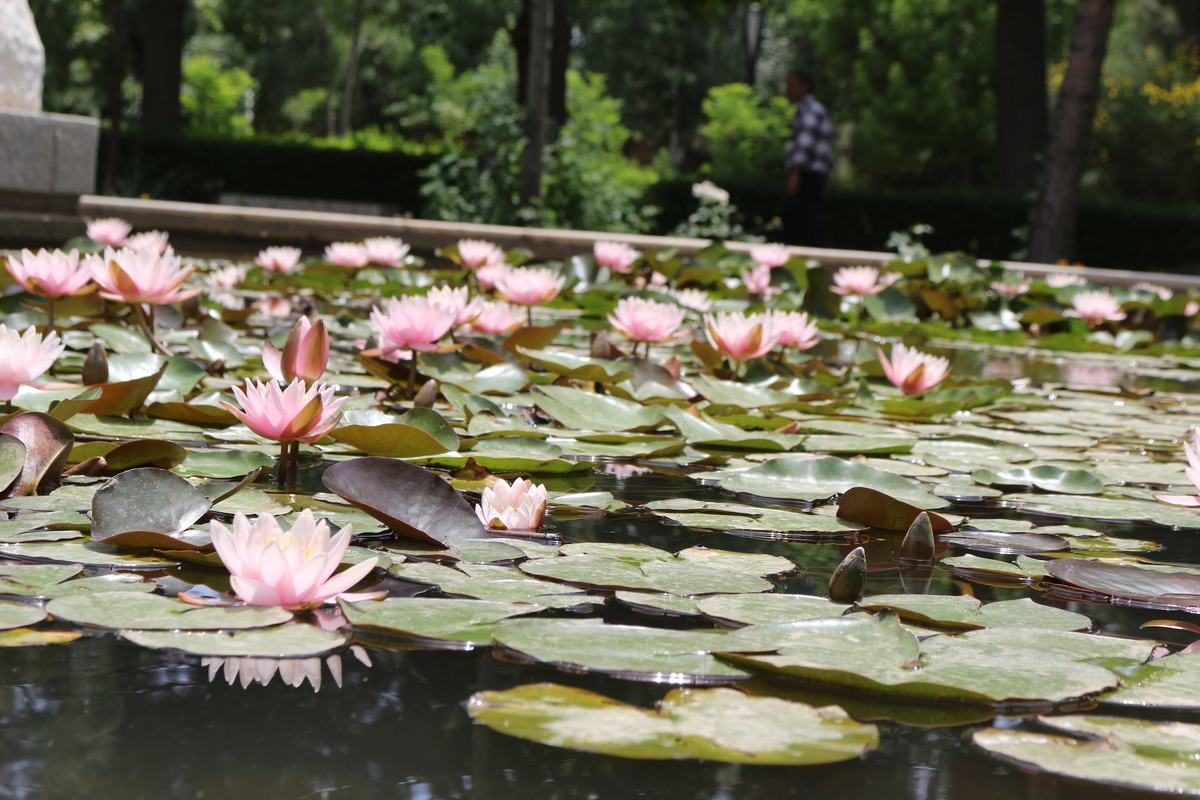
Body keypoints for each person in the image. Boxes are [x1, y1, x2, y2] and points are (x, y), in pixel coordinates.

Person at [783, 69, 834, 246]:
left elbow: (805, 146)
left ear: (805, 87)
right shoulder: (809, 109)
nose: (787, 89)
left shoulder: (809, 110)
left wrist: (794, 174)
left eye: (791, 85)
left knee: (807, 224)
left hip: (808, 175)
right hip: (811, 174)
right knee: (807, 223)